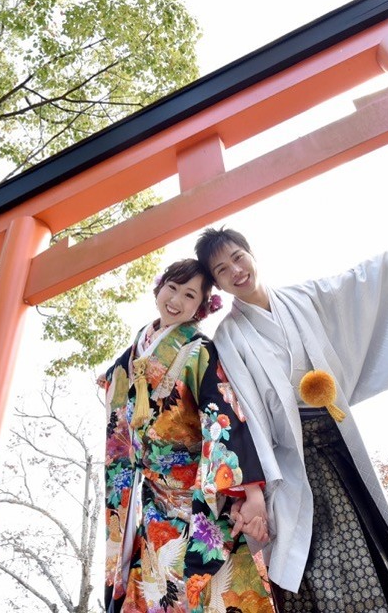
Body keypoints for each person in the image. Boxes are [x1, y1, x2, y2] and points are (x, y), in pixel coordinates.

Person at [194, 214, 388, 612]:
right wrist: (254, 489)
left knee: (370, 539)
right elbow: (244, 414)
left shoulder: (303, 297)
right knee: (319, 556)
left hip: (338, 442)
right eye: (222, 270)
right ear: (218, 284)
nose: (236, 272)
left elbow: (358, 285)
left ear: (252, 255)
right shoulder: (228, 336)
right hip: (290, 460)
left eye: (239, 258)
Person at [102, 258, 273, 613]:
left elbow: (223, 418)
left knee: (213, 588)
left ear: (201, 307)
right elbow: (117, 417)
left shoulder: (200, 351)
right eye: (172, 288)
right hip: (147, 495)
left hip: (194, 494)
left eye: (189, 294)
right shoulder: (128, 357)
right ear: (159, 287)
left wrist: (251, 491)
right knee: (148, 588)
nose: (176, 300)